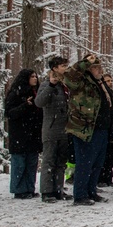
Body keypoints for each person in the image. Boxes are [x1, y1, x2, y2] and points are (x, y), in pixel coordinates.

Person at [64, 54, 113, 205]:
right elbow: (69, 76)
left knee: (97, 163)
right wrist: (85, 63)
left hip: (102, 128)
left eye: (100, 67)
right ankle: (80, 195)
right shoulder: (80, 82)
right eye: (95, 67)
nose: (99, 70)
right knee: (85, 163)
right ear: (87, 69)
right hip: (86, 128)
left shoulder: (100, 83)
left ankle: (91, 191)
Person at [36, 56, 71, 203]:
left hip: (65, 129)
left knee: (61, 162)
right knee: (49, 161)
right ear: (54, 68)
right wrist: (50, 85)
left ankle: (58, 189)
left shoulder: (66, 85)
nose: (65, 69)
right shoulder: (46, 84)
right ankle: (47, 191)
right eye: (63, 66)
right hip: (51, 129)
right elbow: (39, 102)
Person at [5, 68, 43, 200]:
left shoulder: (37, 92)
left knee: (32, 162)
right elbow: (10, 113)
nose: (35, 79)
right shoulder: (15, 93)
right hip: (20, 134)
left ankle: (29, 188)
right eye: (32, 76)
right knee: (19, 163)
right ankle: (19, 189)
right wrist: (25, 105)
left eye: (35, 76)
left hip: (33, 133)